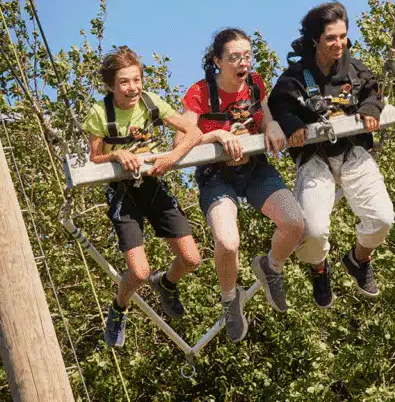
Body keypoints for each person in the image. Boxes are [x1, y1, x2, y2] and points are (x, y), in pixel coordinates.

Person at [268, 1, 395, 308]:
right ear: (315, 40)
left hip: (352, 150)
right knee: (312, 229)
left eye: (343, 36)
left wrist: (369, 110)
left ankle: (358, 259)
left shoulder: (354, 69)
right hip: (316, 157)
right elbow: (278, 106)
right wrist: (293, 125)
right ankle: (319, 267)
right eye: (330, 38)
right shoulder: (295, 78)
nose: (339, 44)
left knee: (382, 218)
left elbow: (371, 91)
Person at [182, 28, 305, 341]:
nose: (243, 63)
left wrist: (274, 127)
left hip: (254, 169)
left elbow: (265, 118)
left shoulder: (255, 84)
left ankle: (271, 266)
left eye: (247, 56)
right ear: (218, 61)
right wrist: (215, 135)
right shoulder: (199, 93)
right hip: (216, 174)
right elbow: (180, 140)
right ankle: (229, 299)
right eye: (234, 57)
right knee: (227, 243)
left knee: (294, 222)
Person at [82, 46, 203, 348]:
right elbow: (94, 158)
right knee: (139, 271)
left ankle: (167, 283)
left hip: (151, 183)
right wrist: (118, 154)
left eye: (137, 80)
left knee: (191, 258)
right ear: (112, 86)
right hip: (123, 193)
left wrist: (171, 158)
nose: (133, 88)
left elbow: (193, 132)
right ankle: (119, 308)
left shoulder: (150, 103)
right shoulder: (100, 113)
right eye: (125, 82)